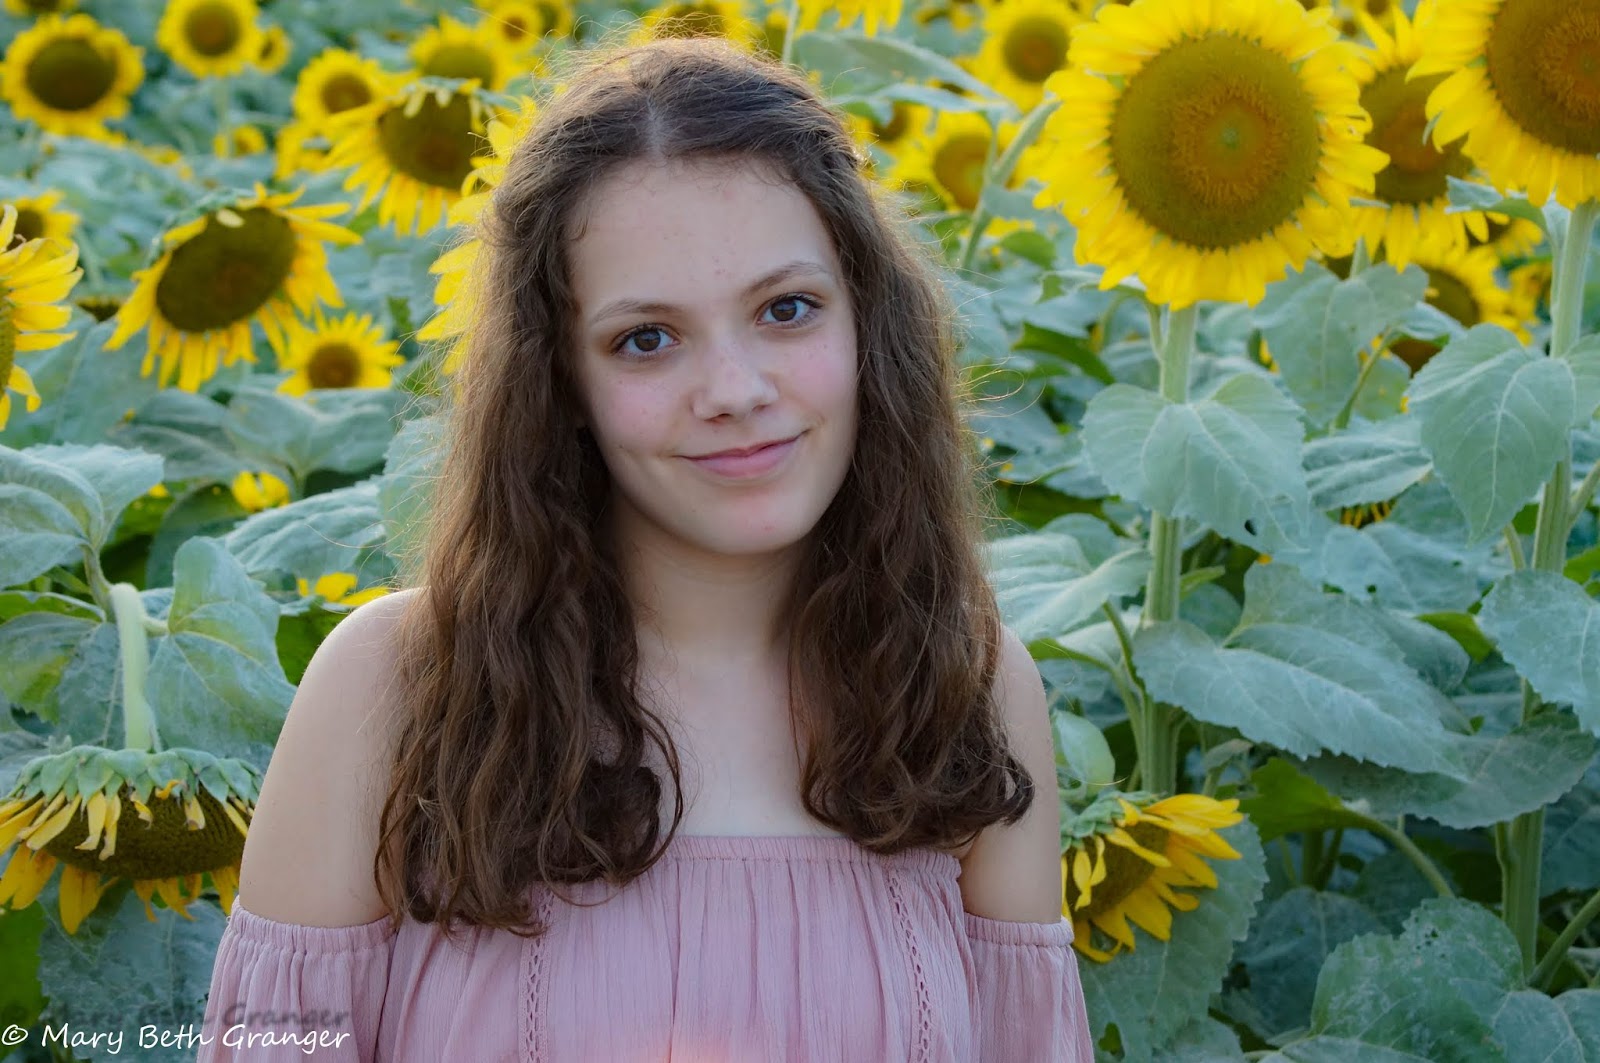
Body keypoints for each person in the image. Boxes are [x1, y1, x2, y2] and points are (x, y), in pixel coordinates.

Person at [196, 35, 1094, 1063]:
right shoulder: (398, 691)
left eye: (786, 309)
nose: (735, 389)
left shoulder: (965, 689)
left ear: (866, 324)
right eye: (647, 338)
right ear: (560, 384)